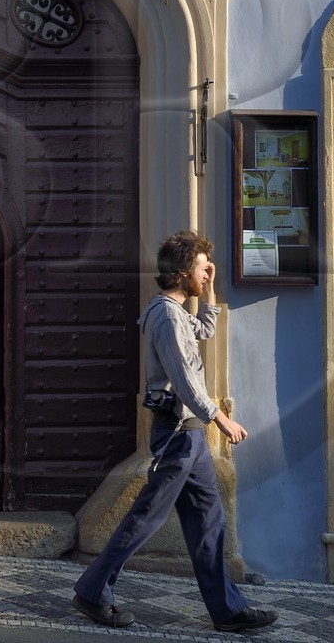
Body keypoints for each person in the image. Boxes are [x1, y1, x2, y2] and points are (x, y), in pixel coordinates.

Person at [72, 230, 277, 633]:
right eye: (202, 269)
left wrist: (212, 289)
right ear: (183, 273)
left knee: (209, 522)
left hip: (191, 435)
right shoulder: (166, 316)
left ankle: (228, 610)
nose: (206, 273)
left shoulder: (176, 313)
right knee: (147, 516)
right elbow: (184, 378)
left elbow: (203, 330)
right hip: (179, 432)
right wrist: (221, 418)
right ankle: (93, 591)